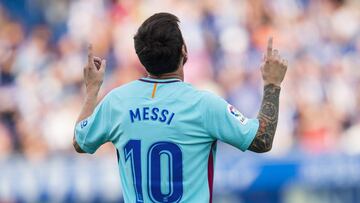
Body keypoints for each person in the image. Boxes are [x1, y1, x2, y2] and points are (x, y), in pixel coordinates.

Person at [73, 12, 287, 203]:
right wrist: (272, 85)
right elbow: (261, 140)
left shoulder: (117, 101)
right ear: (184, 51)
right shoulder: (203, 104)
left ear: (141, 57)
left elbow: (80, 141)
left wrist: (92, 90)